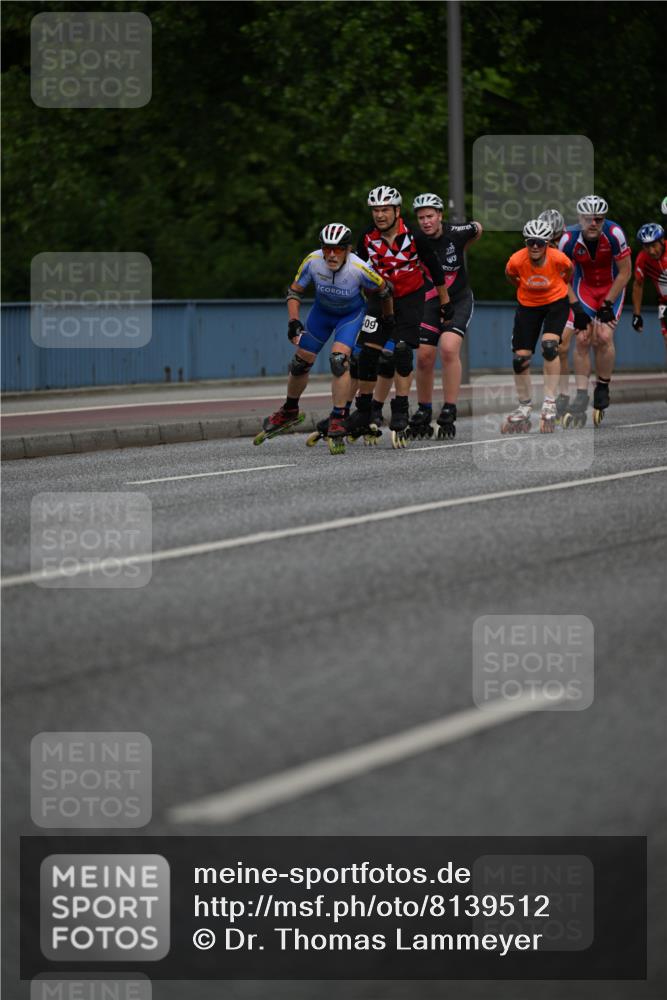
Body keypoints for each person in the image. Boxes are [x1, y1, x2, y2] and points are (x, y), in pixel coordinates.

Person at [255, 223, 391, 454]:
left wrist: (388, 318)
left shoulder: (360, 268)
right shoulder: (312, 261)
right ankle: (290, 410)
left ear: (348, 249)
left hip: (350, 315)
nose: (331, 254)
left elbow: (384, 290)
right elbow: (295, 291)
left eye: (337, 249)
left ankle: (339, 416)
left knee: (339, 361)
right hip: (322, 313)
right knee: (300, 363)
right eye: (327, 248)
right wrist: (293, 320)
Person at [352, 185, 451, 447]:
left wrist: (445, 302)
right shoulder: (367, 237)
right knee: (368, 355)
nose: (380, 215)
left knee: (403, 350)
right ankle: (365, 409)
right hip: (379, 297)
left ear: (397, 211)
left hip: (410, 298)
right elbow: (356, 270)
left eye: (385, 210)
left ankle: (400, 409)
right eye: (375, 210)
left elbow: (434, 268)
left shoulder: (415, 236)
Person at [403, 193, 482, 440]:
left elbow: (478, 228)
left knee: (448, 348)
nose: (426, 221)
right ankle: (424, 409)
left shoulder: (456, 232)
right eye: (421, 217)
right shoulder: (413, 240)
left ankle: (449, 407)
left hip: (458, 299)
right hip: (430, 300)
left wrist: (463, 247)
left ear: (440, 216)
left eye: (430, 216)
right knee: (425, 357)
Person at [558, 195, 631, 426]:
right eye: (588, 219)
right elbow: (563, 278)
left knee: (604, 336)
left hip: (612, 287)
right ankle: (581, 394)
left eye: (598, 219)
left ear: (604, 219)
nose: (593, 223)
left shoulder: (615, 234)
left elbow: (625, 272)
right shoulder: (568, 239)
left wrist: (608, 304)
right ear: (579, 218)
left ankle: (603, 386)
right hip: (584, 288)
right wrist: (576, 307)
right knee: (581, 338)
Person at [502, 219, 578, 433]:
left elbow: (568, 273)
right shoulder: (516, 260)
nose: (535, 246)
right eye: (531, 242)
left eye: (540, 243)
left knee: (550, 347)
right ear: (526, 242)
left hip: (556, 303)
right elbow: (510, 276)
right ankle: (524, 406)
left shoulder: (559, 259)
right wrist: (523, 287)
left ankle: (549, 401)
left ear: (547, 244)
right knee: (520, 359)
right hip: (528, 305)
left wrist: (556, 287)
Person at [537, 208, 575, 421]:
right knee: (552, 348)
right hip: (550, 297)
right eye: (547, 239)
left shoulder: (569, 242)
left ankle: (564, 394)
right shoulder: (536, 244)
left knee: (562, 347)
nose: (551, 243)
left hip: (571, 296)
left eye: (555, 239)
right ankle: (554, 396)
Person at [631, 223, 667, 360]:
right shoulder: (642, 259)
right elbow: (638, 285)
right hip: (664, 303)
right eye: (646, 247)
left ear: (662, 241)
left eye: (653, 245)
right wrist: (637, 315)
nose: (651, 251)